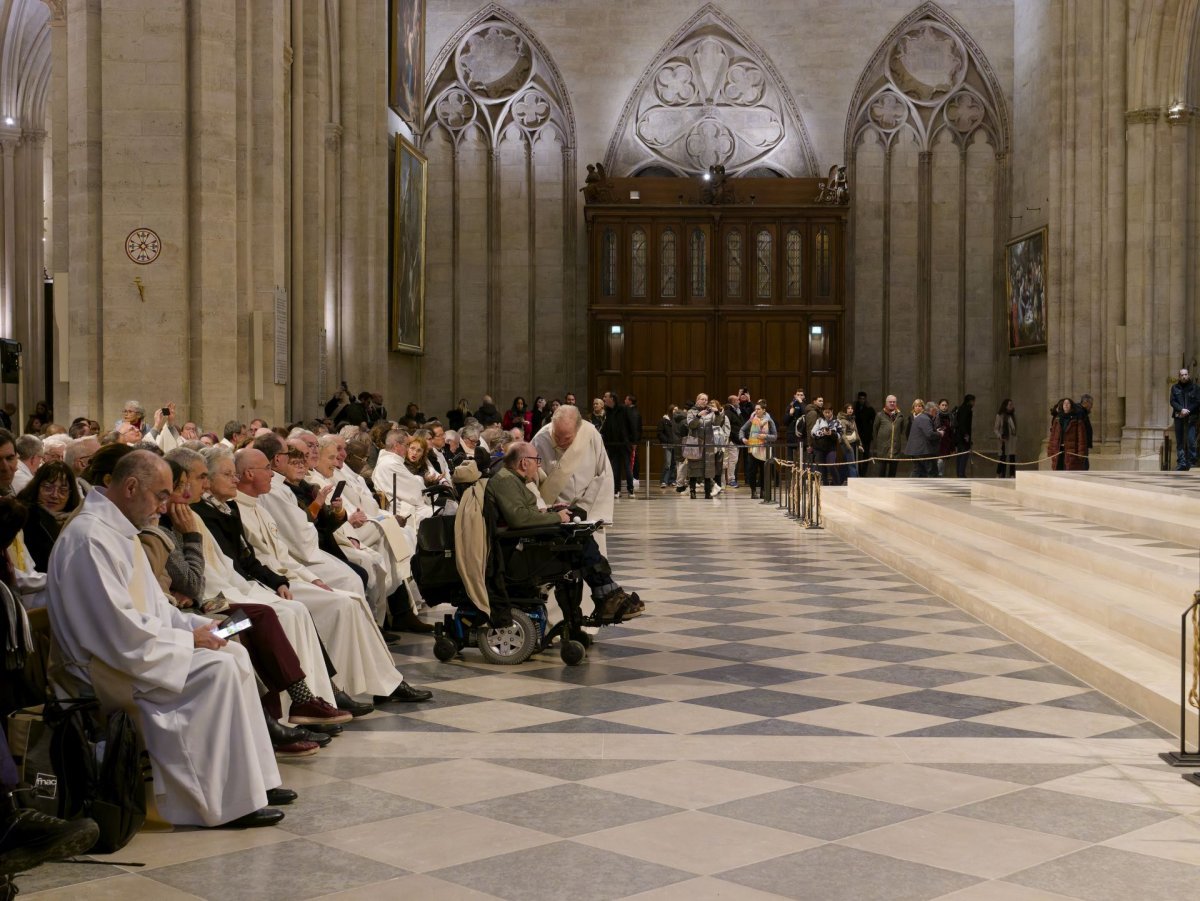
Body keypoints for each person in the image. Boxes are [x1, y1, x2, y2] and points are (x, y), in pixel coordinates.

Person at [46, 450, 288, 828]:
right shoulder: (89, 539)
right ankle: (220, 802)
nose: (164, 506)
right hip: (102, 670)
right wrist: (189, 643)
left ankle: (253, 785)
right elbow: (116, 631)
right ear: (130, 487)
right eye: (160, 495)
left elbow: (156, 606)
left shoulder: (119, 531)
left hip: (134, 652)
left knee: (235, 656)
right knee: (218, 670)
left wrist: (194, 629)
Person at [486, 442, 640, 621]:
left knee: (580, 537)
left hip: (523, 544)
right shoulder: (505, 480)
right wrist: (557, 517)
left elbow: (522, 513)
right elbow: (519, 519)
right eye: (537, 460)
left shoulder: (513, 479)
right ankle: (606, 597)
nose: (539, 465)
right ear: (524, 463)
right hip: (516, 553)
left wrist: (550, 510)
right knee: (578, 545)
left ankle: (605, 596)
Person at [531, 405, 615, 554]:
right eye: (557, 437)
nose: (561, 442)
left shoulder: (590, 434)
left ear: (578, 428)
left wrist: (583, 507)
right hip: (555, 515)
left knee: (591, 564)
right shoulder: (540, 440)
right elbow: (529, 480)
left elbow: (603, 475)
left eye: (568, 438)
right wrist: (545, 509)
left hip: (587, 511)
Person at [685, 393, 724, 499]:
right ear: (697, 400)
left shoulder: (711, 412)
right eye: (702, 399)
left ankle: (707, 493)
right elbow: (691, 425)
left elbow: (717, 424)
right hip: (695, 444)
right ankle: (692, 492)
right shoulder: (691, 411)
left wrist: (717, 413)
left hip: (708, 444)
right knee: (693, 468)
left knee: (708, 468)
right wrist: (698, 416)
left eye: (706, 400)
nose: (704, 401)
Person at [739, 402, 776, 499]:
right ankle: (753, 490)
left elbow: (775, 436)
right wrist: (743, 439)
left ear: (764, 410)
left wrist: (766, 436)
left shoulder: (769, 421)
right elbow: (742, 430)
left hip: (764, 450)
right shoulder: (752, 420)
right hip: (753, 449)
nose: (756, 411)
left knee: (764, 471)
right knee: (752, 471)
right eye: (755, 409)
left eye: (759, 409)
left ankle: (763, 490)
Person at [1170, 369, 1199, 471]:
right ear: (1179, 376)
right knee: (1180, 441)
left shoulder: (1195, 388)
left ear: (1188, 375)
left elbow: (1197, 401)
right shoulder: (1175, 388)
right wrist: (1181, 409)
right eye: (1182, 375)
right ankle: (1181, 463)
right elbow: (1172, 402)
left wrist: (1188, 410)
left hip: (1191, 417)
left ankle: (1192, 462)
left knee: (1191, 440)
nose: (1184, 377)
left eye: (1186, 374)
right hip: (1179, 416)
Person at [1048, 397, 1088, 471]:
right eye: (1064, 403)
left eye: (1068, 403)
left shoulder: (1077, 420)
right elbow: (1053, 436)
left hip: (1072, 451)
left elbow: (1081, 438)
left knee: (1070, 471)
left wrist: (1081, 452)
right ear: (1062, 406)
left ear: (1071, 406)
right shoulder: (1057, 419)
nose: (1066, 405)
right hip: (1059, 450)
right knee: (1058, 470)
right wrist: (1051, 450)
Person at [904, 399, 940, 478]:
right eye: (936, 411)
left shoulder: (921, 417)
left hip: (918, 451)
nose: (936, 413)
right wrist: (939, 434)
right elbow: (929, 434)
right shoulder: (924, 418)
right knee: (931, 472)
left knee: (919, 472)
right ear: (931, 410)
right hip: (923, 452)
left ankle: (910, 488)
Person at [873, 395, 906, 478]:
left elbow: (901, 430)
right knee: (881, 474)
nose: (892, 403)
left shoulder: (900, 416)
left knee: (892, 475)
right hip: (882, 450)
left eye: (894, 402)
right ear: (886, 403)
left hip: (895, 450)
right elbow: (875, 430)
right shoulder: (879, 415)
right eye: (890, 402)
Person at [810, 406, 843, 484]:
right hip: (820, 447)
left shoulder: (837, 421)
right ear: (823, 412)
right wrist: (822, 433)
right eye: (825, 412)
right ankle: (825, 484)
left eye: (829, 412)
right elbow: (813, 432)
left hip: (831, 447)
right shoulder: (820, 420)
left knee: (831, 465)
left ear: (832, 411)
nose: (827, 414)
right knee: (822, 467)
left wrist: (831, 433)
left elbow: (840, 434)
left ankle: (837, 483)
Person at [853, 392, 876, 476]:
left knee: (866, 455)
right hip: (856, 436)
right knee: (856, 455)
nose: (862, 400)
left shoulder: (869, 410)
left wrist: (870, 432)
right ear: (858, 399)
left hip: (866, 436)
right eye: (860, 399)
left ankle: (863, 473)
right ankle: (857, 473)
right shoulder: (854, 409)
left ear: (865, 399)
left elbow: (874, 422)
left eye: (863, 399)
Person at [994, 398, 1017, 478]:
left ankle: (1012, 475)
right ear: (1005, 406)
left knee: (1012, 457)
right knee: (1002, 458)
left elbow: (1013, 428)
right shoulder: (1000, 416)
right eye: (1010, 405)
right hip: (1004, 440)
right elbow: (996, 429)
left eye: (1012, 405)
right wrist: (999, 436)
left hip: (1012, 440)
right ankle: (999, 474)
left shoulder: (1012, 415)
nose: (1012, 406)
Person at [954, 394, 975, 478]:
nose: (974, 403)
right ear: (970, 401)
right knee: (963, 455)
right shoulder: (967, 409)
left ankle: (960, 474)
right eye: (973, 401)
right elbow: (963, 424)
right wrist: (966, 435)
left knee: (960, 455)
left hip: (959, 436)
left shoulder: (961, 408)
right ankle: (961, 474)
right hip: (963, 437)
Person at [657, 404, 678, 488]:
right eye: (674, 410)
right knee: (668, 463)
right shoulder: (663, 420)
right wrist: (666, 441)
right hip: (667, 444)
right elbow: (660, 433)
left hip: (676, 444)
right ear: (670, 410)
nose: (676, 412)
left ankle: (672, 480)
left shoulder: (676, 421)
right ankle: (664, 481)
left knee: (674, 463)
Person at [1078, 394, 1093, 470]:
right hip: (1081, 443)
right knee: (1083, 465)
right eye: (1091, 404)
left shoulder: (1082, 412)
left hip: (1084, 443)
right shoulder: (1080, 412)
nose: (1091, 406)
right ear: (1086, 402)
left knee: (1085, 465)